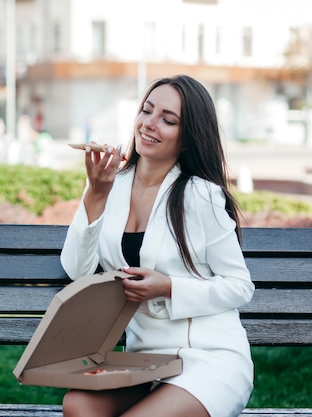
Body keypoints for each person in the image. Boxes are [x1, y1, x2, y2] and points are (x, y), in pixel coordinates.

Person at [60, 75, 254, 417]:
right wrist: (96, 194)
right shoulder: (110, 185)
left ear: (187, 136)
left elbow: (240, 287)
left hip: (209, 359)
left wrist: (169, 288)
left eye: (168, 119)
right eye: (147, 111)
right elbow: (78, 270)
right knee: (78, 406)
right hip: (146, 361)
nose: (150, 124)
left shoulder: (200, 195)